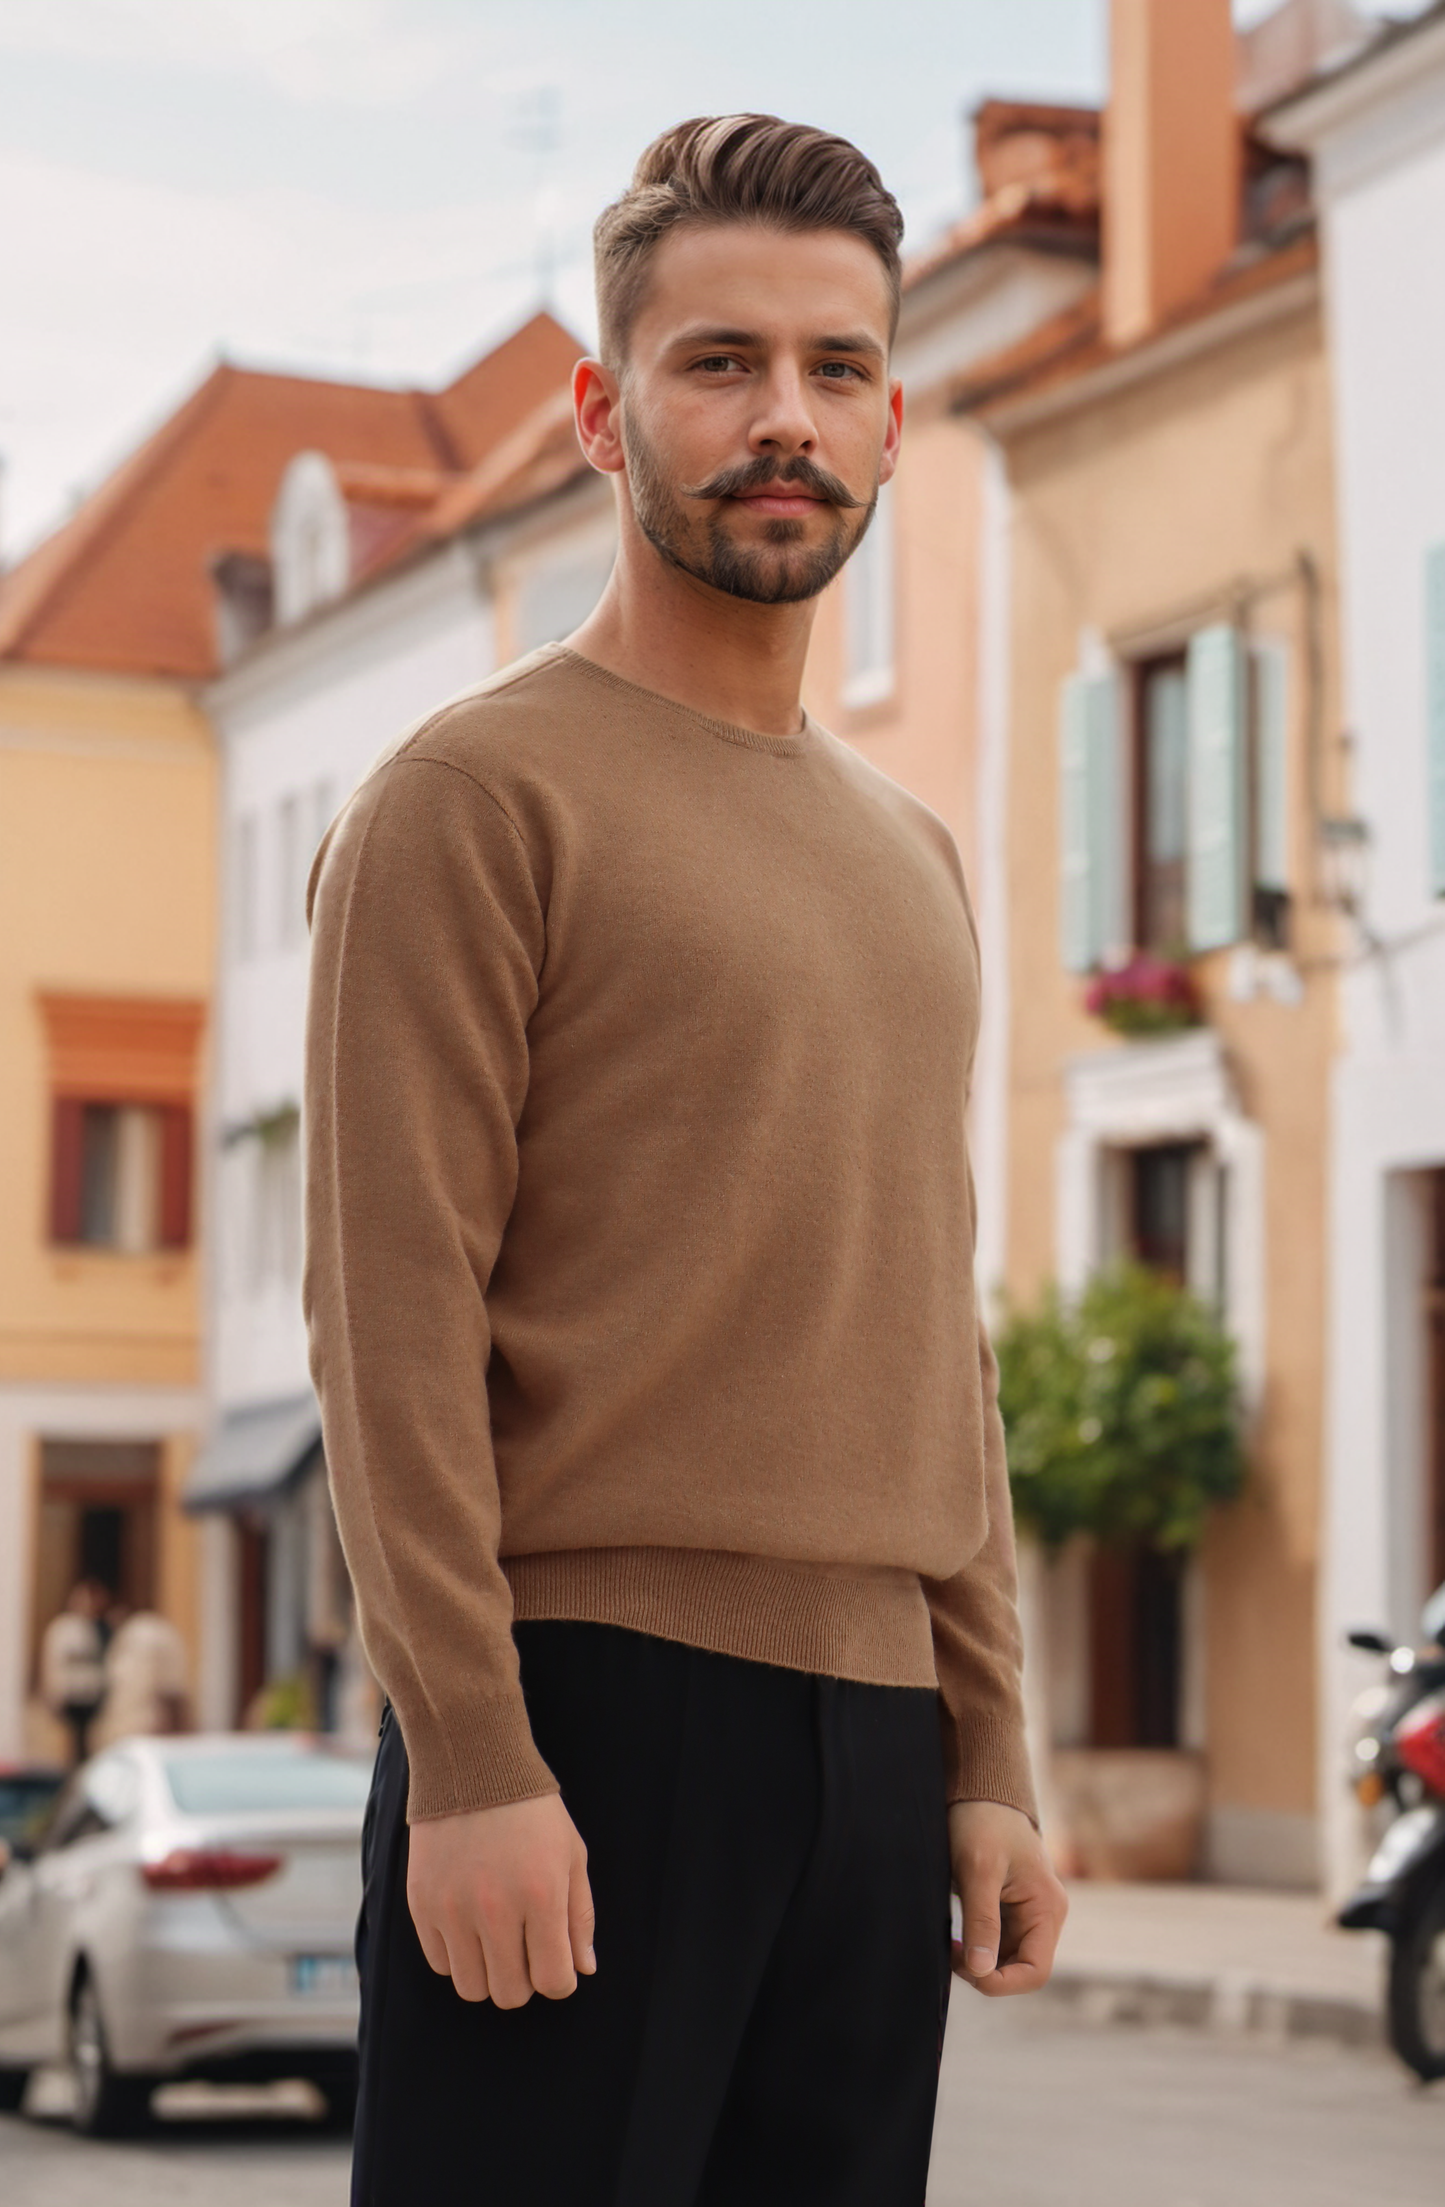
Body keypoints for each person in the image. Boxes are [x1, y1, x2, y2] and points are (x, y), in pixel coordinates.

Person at [305, 113, 1068, 2207]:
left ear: (894, 421)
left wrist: (985, 1752)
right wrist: (467, 1749)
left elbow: (935, 1332)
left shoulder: (912, 858)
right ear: (600, 407)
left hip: (871, 1739)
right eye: (716, 362)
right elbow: (386, 1316)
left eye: (833, 370)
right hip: (578, 1721)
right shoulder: (466, 802)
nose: (780, 420)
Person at [95, 1603, 190, 1743]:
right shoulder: (131, 1638)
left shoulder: (150, 1634)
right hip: (134, 1727)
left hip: (142, 1727)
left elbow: (172, 1691)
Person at [39, 1579, 108, 1765]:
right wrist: (54, 1693)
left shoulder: (93, 1628)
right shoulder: (63, 1627)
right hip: (71, 1695)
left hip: (90, 1695)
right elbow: (54, 1662)